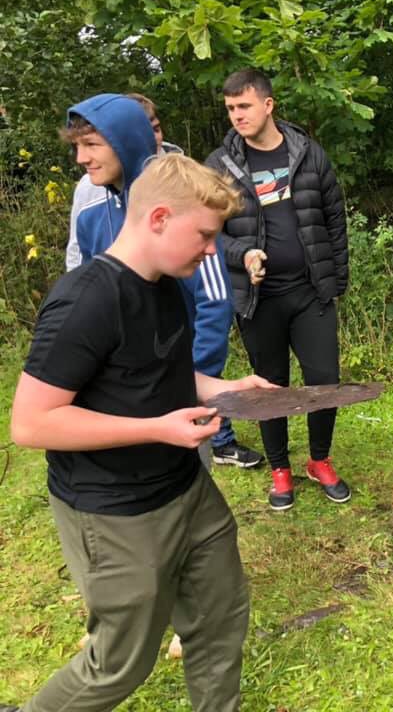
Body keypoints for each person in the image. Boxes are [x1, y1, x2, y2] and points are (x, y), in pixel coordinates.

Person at [9, 153, 274, 711]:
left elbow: (161, 372)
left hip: (185, 489)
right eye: (204, 235)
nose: (211, 250)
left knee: (219, 620)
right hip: (116, 511)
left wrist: (225, 389)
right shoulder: (86, 300)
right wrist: (157, 428)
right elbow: (32, 423)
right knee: (117, 666)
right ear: (158, 219)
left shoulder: (167, 282)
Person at [64, 92, 263, 469]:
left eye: (91, 145)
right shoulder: (90, 210)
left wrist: (194, 379)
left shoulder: (180, 201)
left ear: (123, 141)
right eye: (77, 146)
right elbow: (88, 296)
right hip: (118, 395)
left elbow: (215, 300)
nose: (81, 158)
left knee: (185, 478)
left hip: (177, 384)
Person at [205, 68, 351, 510]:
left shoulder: (308, 153)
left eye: (244, 106)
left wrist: (334, 280)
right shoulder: (220, 165)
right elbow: (209, 232)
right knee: (268, 388)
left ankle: (319, 460)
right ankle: (280, 469)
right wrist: (244, 256)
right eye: (230, 108)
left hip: (310, 293)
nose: (237, 115)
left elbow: (334, 217)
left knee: (324, 380)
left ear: (268, 105)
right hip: (259, 299)